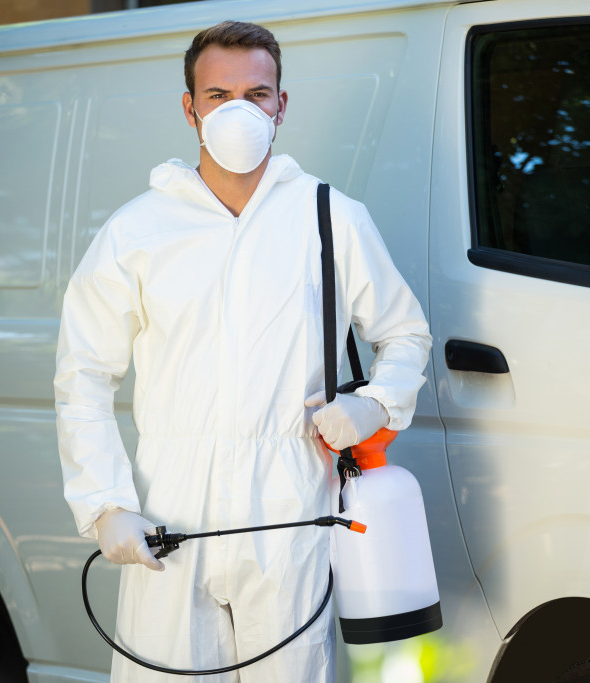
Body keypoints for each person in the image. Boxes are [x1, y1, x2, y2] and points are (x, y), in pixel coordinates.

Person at [54, 20, 431, 682]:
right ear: (190, 107)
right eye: (219, 94)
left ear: (282, 105)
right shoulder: (136, 231)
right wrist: (107, 502)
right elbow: (83, 372)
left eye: (257, 94)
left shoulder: (330, 218)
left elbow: (405, 333)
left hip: (288, 513)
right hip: (170, 518)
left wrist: (374, 404)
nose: (239, 110)